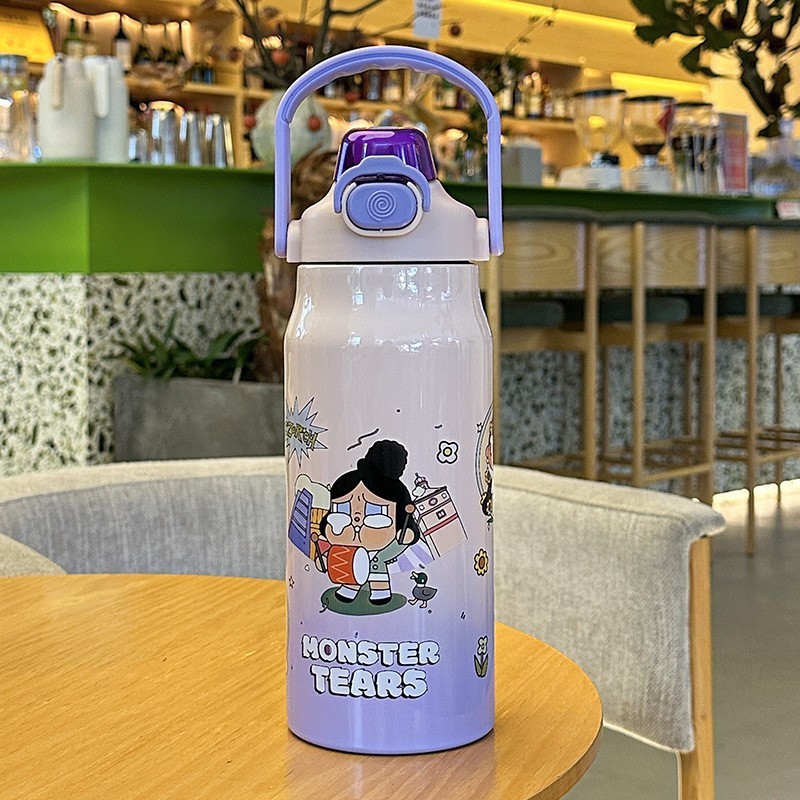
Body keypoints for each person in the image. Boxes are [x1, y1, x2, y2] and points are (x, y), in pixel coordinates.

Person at [320, 439, 420, 605]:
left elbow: (407, 530)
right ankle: (349, 589)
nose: (357, 518)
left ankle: (380, 592)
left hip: (378, 555)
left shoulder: (394, 527)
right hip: (351, 553)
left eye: (374, 509)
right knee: (352, 568)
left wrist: (408, 531)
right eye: (344, 507)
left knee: (376, 567)